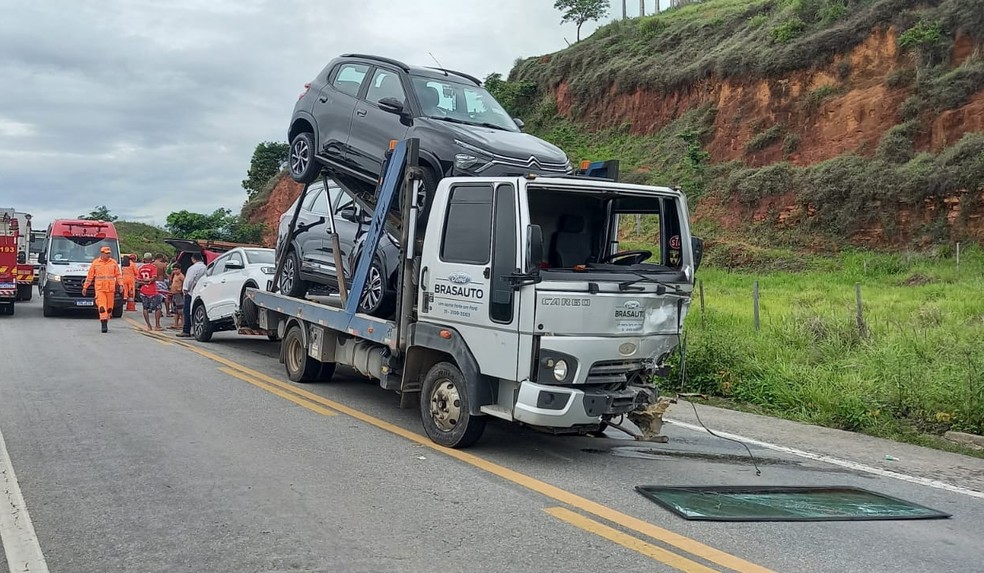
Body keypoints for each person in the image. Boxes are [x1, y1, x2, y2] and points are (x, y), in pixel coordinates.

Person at [81, 246, 122, 333]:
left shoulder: (113, 263)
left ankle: (106, 320)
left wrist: (121, 285)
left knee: (110, 308)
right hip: (100, 289)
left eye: (109, 253)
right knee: (102, 307)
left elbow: (118, 275)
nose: (108, 255)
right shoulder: (96, 263)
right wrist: (85, 287)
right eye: (106, 253)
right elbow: (90, 276)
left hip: (110, 289)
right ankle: (104, 325)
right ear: (102, 253)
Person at [177, 253, 206, 338]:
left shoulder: (193, 268)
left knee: (187, 311)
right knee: (196, 312)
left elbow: (189, 279)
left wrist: (186, 289)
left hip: (190, 292)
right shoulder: (205, 267)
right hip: (200, 292)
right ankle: (195, 330)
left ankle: (186, 330)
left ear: (193, 259)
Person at [136, 254, 163, 331]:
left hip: (144, 290)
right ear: (151, 259)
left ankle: (149, 326)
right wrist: (149, 281)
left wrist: (144, 282)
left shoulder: (140, 268)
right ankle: (157, 325)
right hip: (153, 290)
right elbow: (154, 278)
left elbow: (138, 280)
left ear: (144, 259)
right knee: (158, 307)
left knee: (145, 308)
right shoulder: (153, 267)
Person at [169, 264, 185, 330]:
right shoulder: (175, 275)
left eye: (176, 269)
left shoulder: (181, 276)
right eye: (174, 270)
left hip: (179, 294)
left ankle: (182, 324)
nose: (175, 271)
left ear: (180, 269)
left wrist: (181, 290)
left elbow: (184, 283)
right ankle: (176, 324)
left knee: (181, 310)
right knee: (175, 310)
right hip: (174, 294)